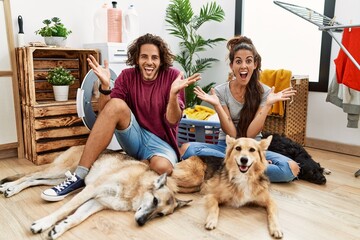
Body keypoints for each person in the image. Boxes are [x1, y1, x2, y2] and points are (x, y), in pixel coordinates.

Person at [41, 33, 201, 201]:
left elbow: (172, 120)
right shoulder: (127, 76)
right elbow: (106, 112)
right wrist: (105, 86)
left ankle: (137, 164)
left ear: (161, 61)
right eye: (144, 56)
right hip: (135, 135)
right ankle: (79, 176)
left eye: (155, 58)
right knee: (116, 103)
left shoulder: (172, 77)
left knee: (163, 167)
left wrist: (173, 95)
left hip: (161, 143)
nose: (149, 62)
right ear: (137, 58)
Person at [179, 35, 300, 183]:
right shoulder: (220, 91)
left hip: (253, 149)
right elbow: (232, 133)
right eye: (238, 61)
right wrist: (217, 106)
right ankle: (251, 171)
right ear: (232, 66)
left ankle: (233, 171)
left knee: (291, 168)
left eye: (248, 61)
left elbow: (251, 133)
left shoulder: (265, 92)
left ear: (255, 64)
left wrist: (268, 105)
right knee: (186, 149)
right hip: (227, 148)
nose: (243, 66)